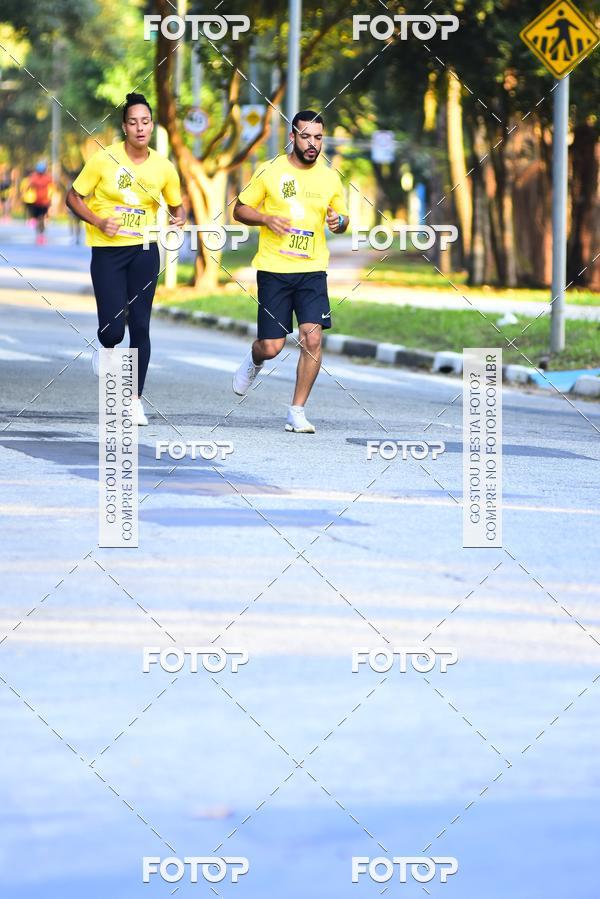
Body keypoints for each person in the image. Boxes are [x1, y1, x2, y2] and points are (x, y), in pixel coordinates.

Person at [66, 92, 185, 425]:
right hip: (107, 251)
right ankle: (105, 348)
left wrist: (180, 217)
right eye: (133, 122)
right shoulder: (104, 159)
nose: (140, 128)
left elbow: (177, 205)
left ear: (151, 126)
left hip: (145, 250)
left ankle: (134, 399)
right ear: (124, 127)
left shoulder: (164, 167)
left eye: (145, 121)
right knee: (113, 330)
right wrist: (98, 220)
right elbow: (73, 197)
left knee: (141, 325)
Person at [232, 110, 349, 434]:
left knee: (312, 339)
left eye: (318, 138)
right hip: (275, 269)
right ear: (292, 137)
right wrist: (266, 219)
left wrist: (340, 222)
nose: (313, 144)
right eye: (306, 136)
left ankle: (296, 411)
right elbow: (239, 209)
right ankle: (255, 359)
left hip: (312, 270)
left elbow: (342, 219)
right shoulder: (270, 171)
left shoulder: (329, 177)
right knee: (272, 346)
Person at [23, 161, 53, 242]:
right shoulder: (35, 177)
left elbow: (52, 187)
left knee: (41, 218)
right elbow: (29, 186)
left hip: (44, 202)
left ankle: (41, 234)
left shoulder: (46, 178)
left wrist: (51, 198)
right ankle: (39, 235)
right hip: (37, 202)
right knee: (38, 219)